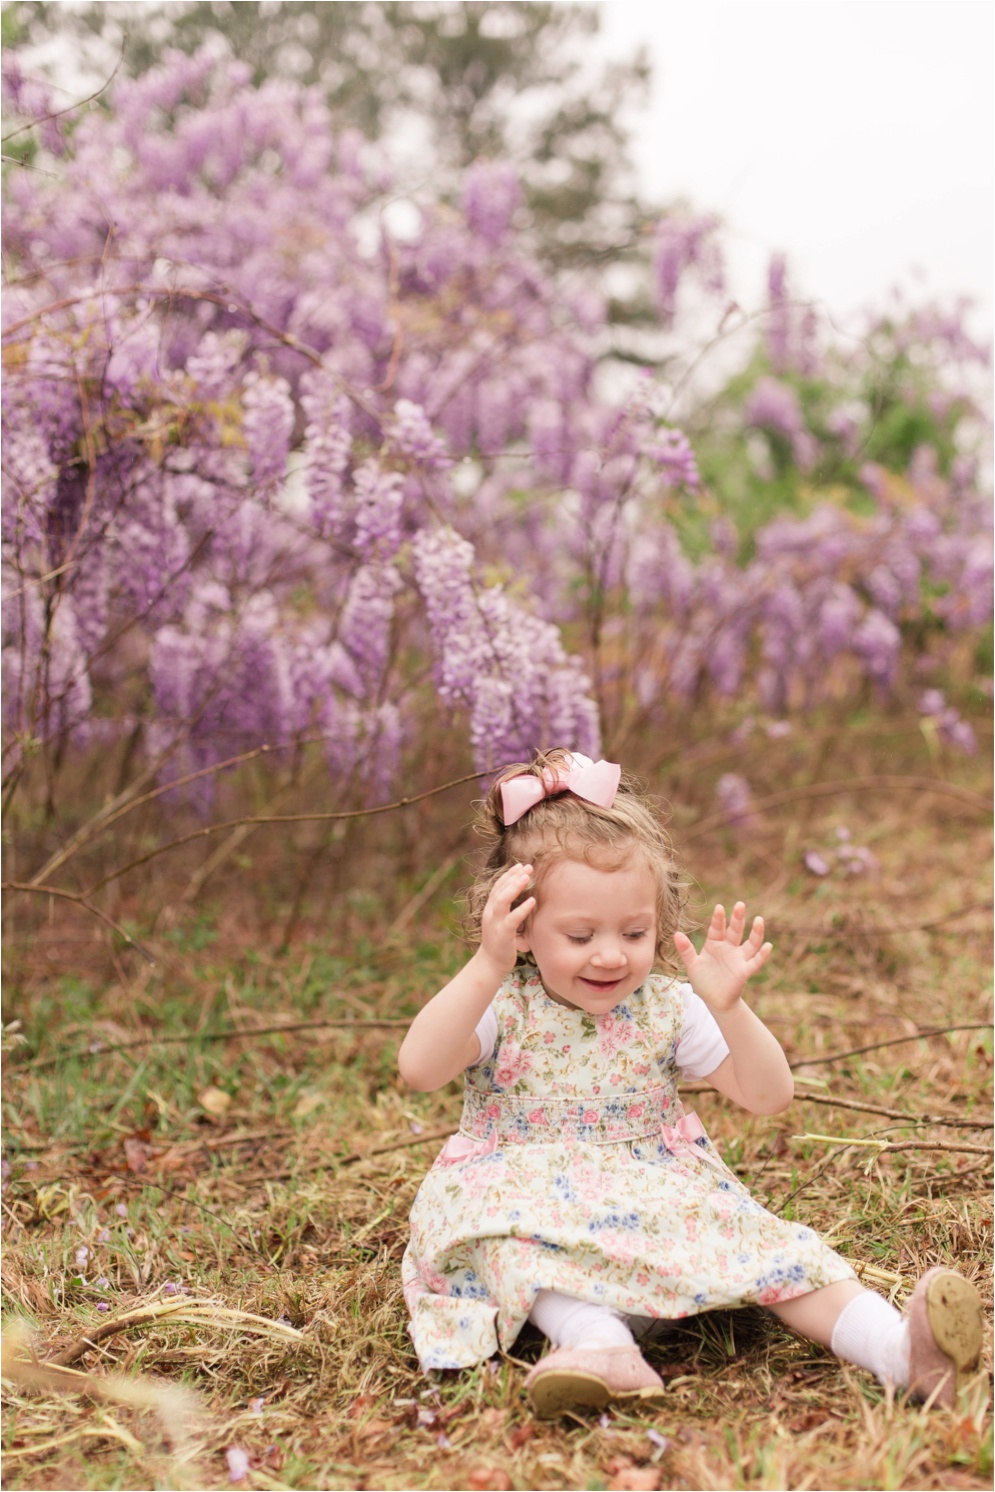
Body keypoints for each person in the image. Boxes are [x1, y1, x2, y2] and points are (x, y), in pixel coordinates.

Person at [398, 749, 984, 1417]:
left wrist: (729, 1008)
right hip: (530, 1209)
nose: (611, 954)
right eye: (580, 934)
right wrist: (484, 962)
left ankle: (899, 1351)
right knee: (511, 1247)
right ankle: (598, 1345)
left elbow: (768, 1096)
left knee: (777, 1250)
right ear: (521, 924)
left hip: (655, 1210)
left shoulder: (666, 1005)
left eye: (634, 931)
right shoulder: (502, 1003)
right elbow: (419, 1068)